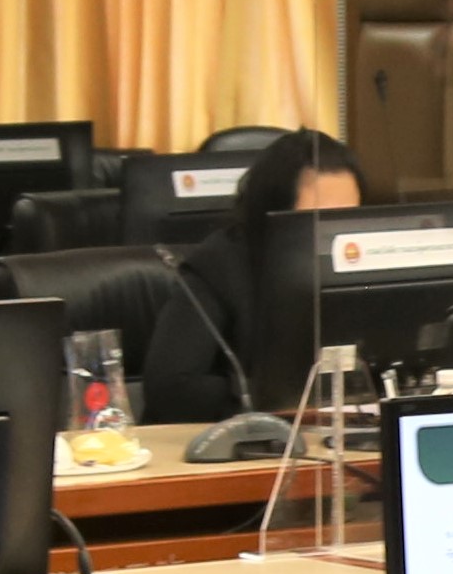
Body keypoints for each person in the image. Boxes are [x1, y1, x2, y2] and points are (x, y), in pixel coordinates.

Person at [137, 128, 360, 417]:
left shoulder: (357, 265)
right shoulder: (220, 267)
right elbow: (171, 387)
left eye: (348, 217)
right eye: (319, 220)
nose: (335, 234)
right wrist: (274, 396)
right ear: (273, 215)